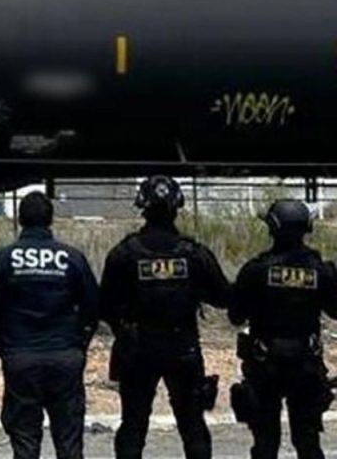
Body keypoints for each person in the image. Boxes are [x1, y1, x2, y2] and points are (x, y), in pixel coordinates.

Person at [100, 176, 230, 459]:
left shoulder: (124, 253)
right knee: (193, 426)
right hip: (182, 347)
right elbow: (224, 297)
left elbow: (105, 305)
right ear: (177, 207)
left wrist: (123, 328)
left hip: (138, 348)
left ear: (142, 207)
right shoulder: (194, 253)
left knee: (133, 426)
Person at [0, 191, 99, 459]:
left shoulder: (4, 258)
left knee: (24, 440)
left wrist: (4, 345)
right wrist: (79, 344)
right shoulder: (71, 257)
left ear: (20, 219)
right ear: (50, 219)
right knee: (69, 442)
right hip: (64, 356)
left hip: (21, 357)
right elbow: (92, 305)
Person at [229, 200, 337, 459]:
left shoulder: (256, 270)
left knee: (266, 443)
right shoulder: (321, 271)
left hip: (265, 364)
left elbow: (236, 316)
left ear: (272, 228)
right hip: (306, 363)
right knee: (308, 442)